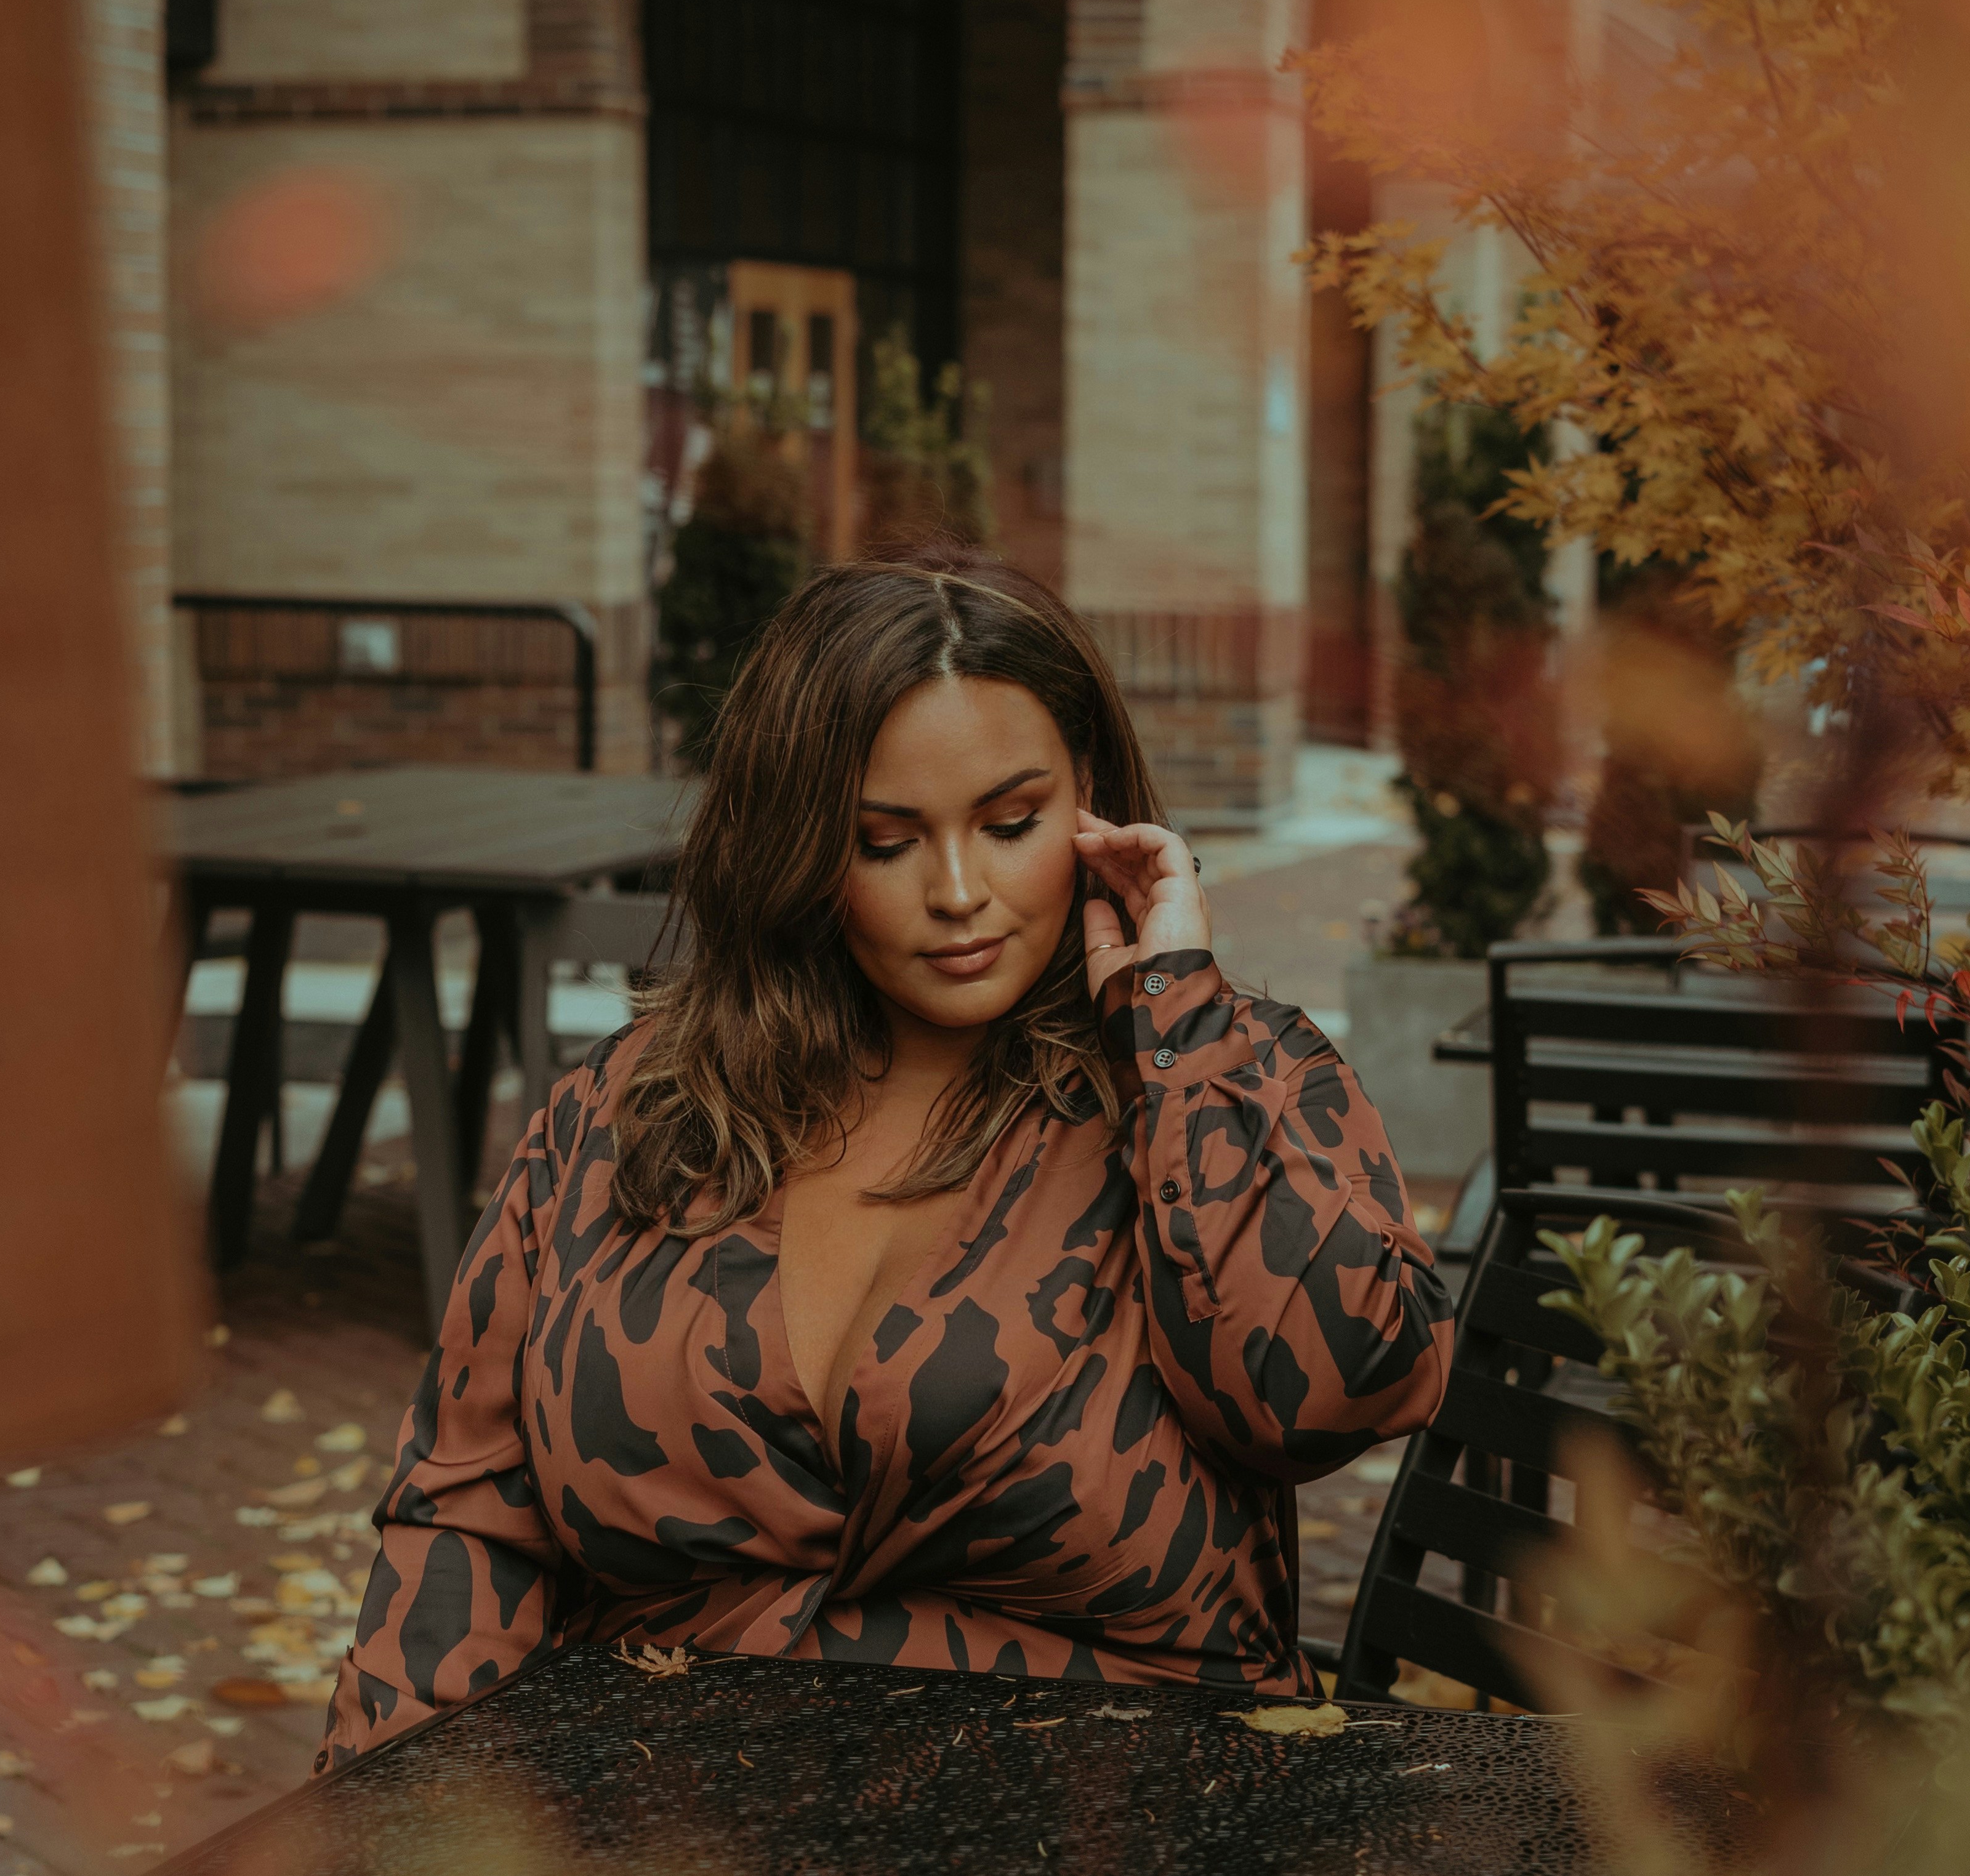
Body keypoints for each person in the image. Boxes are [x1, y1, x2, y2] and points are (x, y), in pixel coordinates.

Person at [326, 550, 1451, 1751]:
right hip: (676, 1869)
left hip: (1112, 1844)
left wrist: (1167, 1020)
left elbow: (1334, 1391)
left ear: (1094, 802)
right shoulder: (623, 1113)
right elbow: (467, 1518)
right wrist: (379, 1847)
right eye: (884, 838)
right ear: (802, 847)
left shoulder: (1228, 1076)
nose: (959, 888)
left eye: (1011, 822)